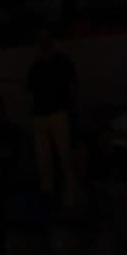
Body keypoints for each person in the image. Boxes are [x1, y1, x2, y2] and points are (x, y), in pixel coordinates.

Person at [29, 27, 77, 203]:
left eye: (46, 39)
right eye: (41, 39)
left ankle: (69, 200)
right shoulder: (35, 67)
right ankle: (49, 202)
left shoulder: (62, 62)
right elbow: (32, 94)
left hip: (58, 114)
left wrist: (72, 110)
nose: (43, 43)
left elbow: (72, 88)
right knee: (44, 163)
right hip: (41, 117)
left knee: (65, 159)